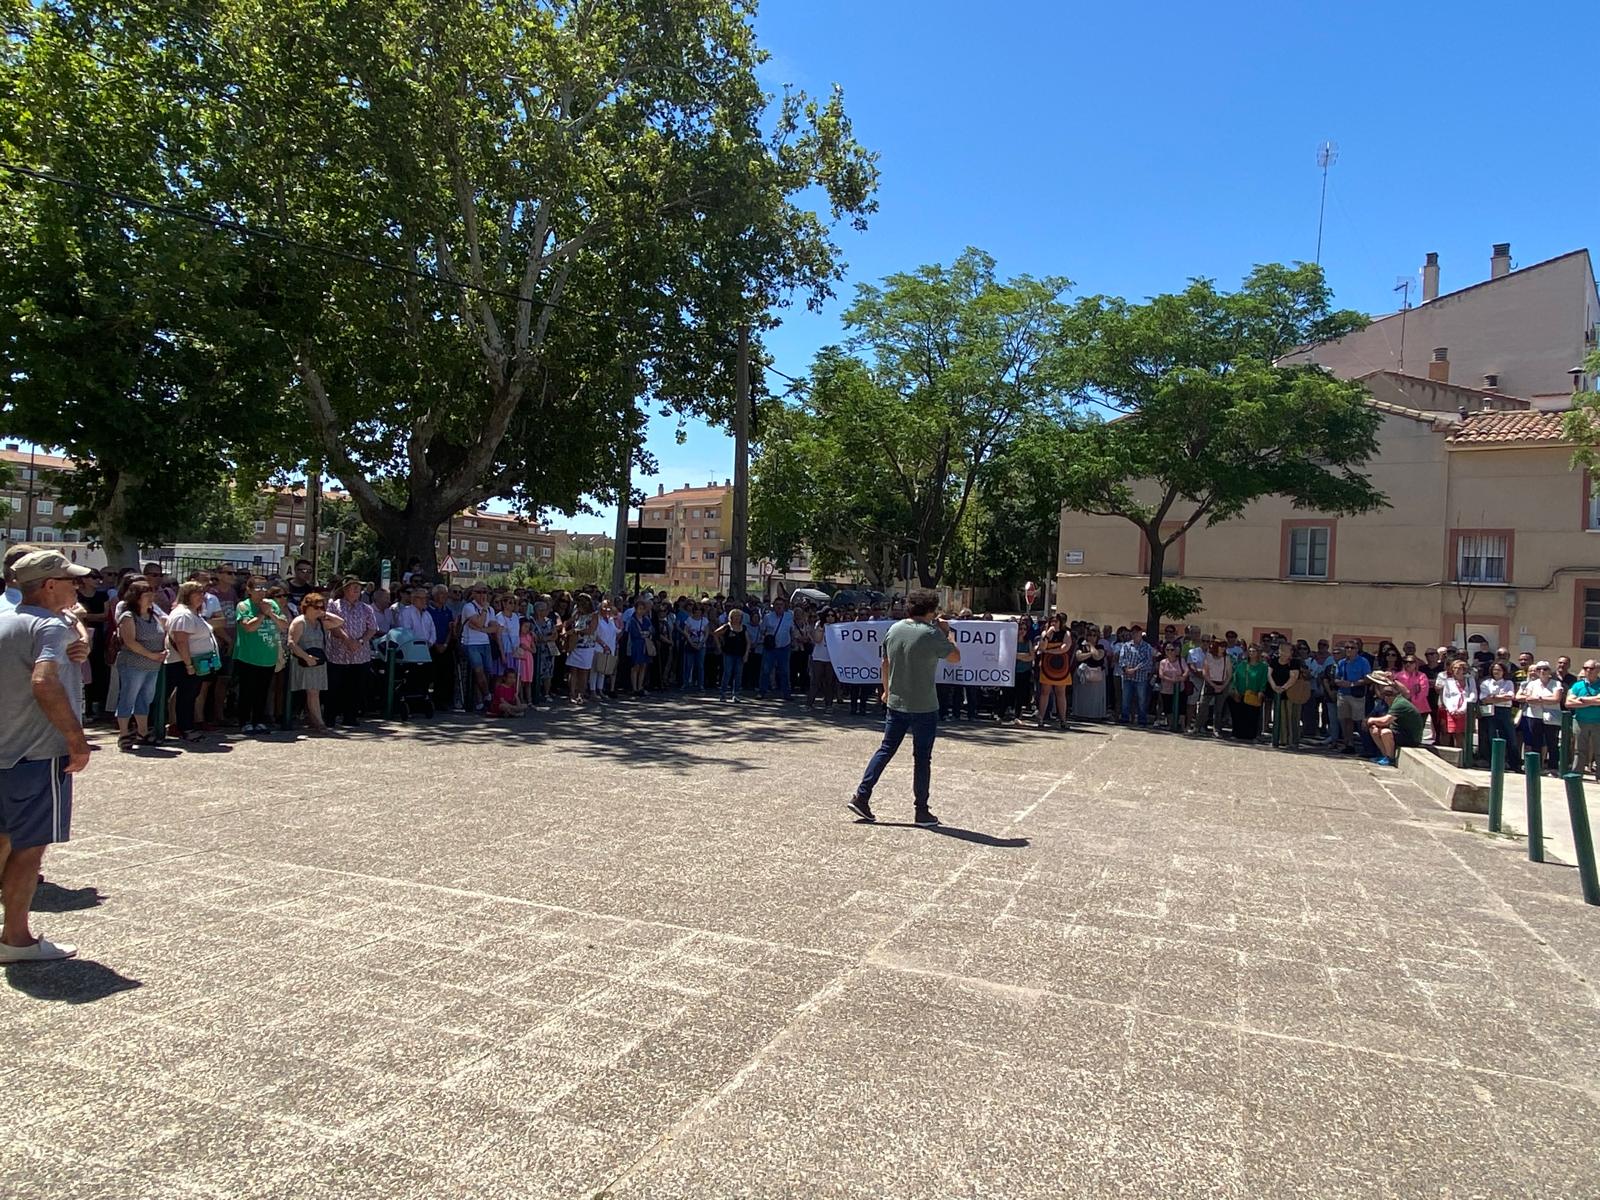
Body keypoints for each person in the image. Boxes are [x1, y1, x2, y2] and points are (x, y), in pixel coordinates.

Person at [0, 551, 94, 961]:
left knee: (3, 839)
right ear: (49, 585)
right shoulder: (50, 625)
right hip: (37, 754)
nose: (76, 585)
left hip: (5, 750)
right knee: (29, 848)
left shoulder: (5, 621)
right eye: (69, 580)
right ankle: (16, 939)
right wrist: (76, 738)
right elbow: (44, 680)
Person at [846, 592, 962, 827]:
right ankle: (921, 810)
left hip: (897, 701)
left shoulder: (895, 629)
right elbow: (955, 657)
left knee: (886, 749)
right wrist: (948, 632)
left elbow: (885, 662)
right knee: (922, 758)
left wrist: (886, 690)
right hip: (924, 704)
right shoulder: (932, 634)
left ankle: (862, 795)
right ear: (930, 611)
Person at [114, 581, 169, 750]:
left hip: (152, 665)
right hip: (133, 664)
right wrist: (151, 655)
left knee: (145, 699)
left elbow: (164, 633)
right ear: (136, 597)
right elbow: (129, 641)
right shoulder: (128, 616)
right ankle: (124, 734)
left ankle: (142, 732)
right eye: (146, 595)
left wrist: (164, 650)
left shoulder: (153, 616)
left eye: (152, 594)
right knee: (128, 698)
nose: (151, 598)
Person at [165, 581, 220, 742]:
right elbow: (181, 641)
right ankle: (185, 728)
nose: (201, 597)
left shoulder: (193, 613)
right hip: (183, 663)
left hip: (196, 662)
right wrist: (189, 665)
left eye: (202, 593)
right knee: (185, 697)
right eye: (197, 593)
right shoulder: (183, 614)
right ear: (187, 595)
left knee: (189, 696)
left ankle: (186, 727)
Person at [234, 576, 287, 733]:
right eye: (258, 587)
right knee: (247, 691)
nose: (262, 590)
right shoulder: (243, 606)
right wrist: (262, 614)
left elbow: (284, 625)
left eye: (264, 587)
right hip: (248, 656)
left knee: (262, 691)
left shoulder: (272, 605)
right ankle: (244, 721)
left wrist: (271, 613)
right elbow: (248, 627)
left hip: (268, 656)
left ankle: (258, 721)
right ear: (249, 590)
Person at [325, 578, 378, 727]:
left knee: (356, 687)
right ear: (345, 589)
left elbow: (372, 628)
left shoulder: (366, 608)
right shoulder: (334, 605)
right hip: (337, 654)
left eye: (358, 588)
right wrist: (347, 640)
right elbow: (331, 625)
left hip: (360, 655)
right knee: (334, 687)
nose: (356, 590)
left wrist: (360, 641)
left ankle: (351, 717)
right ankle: (330, 717)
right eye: (353, 587)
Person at [288, 592, 341, 733]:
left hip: (318, 662)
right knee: (312, 692)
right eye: (316, 607)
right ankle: (320, 723)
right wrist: (307, 657)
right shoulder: (300, 622)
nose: (319, 610)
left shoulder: (320, 622)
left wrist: (325, 614)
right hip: (304, 661)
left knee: (315, 692)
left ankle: (312, 719)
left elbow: (340, 622)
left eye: (321, 607)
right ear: (307, 606)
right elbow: (292, 643)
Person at [1516, 661, 1561, 775]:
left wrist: (1539, 699)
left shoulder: (1556, 684)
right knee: (1536, 742)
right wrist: (1546, 699)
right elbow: (1528, 699)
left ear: (1549, 671)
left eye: (1545, 669)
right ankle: (1536, 768)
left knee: (1552, 743)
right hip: (1534, 716)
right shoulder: (1532, 684)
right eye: (1539, 669)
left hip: (1551, 717)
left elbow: (1556, 699)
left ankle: (1553, 768)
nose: (1542, 671)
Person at [458, 584, 496, 712]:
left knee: (487, 672)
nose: (483, 595)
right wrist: (484, 610)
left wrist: (481, 629)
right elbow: (479, 621)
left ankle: (480, 701)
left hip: (485, 643)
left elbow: (495, 627)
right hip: (471, 643)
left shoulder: (491, 609)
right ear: (473, 593)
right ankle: (487, 697)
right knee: (478, 671)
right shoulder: (469, 607)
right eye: (479, 592)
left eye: (485, 592)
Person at [1367, 682, 1424, 766]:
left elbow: (1385, 721)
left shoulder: (1399, 704)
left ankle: (1391, 758)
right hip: (1400, 731)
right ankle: (1385, 755)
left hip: (1411, 737)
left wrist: (1371, 719)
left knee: (1385, 732)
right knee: (1374, 730)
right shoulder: (1396, 701)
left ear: (1388, 697)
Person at [1332, 641, 1372, 753]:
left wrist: (1353, 683)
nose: (1349, 650)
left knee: (1359, 721)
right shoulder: (1341, 662)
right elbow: (1336, 678)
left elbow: (1368, 678)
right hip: (1343, 694)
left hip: (1357, 695)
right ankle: (1349, 744)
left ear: (1357, 649)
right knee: (1345, 720)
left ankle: (1367, 747)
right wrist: (1341, 683)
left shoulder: (1363, 662)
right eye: (1347, 647)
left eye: (1352, 647)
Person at [1266, 641, 1304, 751]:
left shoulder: (1294, 662)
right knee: (1280, 716)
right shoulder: (1274, 661)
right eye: (1281, 649)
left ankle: (1292, 740)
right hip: (1277, 692)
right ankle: (1281, 739)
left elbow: (1294, 677)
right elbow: (1269, 674)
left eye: (1286, 650)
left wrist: (1283, 688)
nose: (1283, 652)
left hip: (1291, 693)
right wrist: (1274, 687)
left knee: (1292, 717)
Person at [1565, 660, 1600, 779]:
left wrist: (1582, 700)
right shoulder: (1577, 685)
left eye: (1591, 668)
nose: (1588, 671)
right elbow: (1568, 702)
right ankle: (1576, 774)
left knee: (1599, 750)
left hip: (1598, 722)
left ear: (1597, 670)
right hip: (1580, 721)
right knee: (1579, 750)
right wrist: (1593, 701)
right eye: (1585, 668)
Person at [1480, 660, 1518, 768]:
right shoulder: (1485, 683)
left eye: (1499, 670)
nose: (1497, 672)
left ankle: (1513, 763)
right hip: (1491, 711)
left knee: (1510, 737)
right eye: (1495, 669)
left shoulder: (1508, 683)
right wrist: (1500, 697)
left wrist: (1494, 697)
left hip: (1505, 711)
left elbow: (1510, 697)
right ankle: (1494, 762)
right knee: (1492, 736)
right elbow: (1484, 699)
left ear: (1503, 671)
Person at [1228, 645, 1269, 742]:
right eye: (1250, 651)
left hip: (1254, 694)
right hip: (1241, 693)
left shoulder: (1263, 666)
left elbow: (1264, 679)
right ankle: (1237, 733)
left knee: (1253, 716)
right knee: (1239, 715)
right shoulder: (1242, 664)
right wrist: (1235, 689)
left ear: (1258, 653)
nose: (1251, 653)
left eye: (1254, 651)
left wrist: (1261, 691)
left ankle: (1252, 735)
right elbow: (1235, 677)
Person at [1117, 625, 1154, 727]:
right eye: (1133, 633)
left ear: (1140, 634)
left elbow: (1147, 661)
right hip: (1127, 676)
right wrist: (1125, 669)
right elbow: (1122, 659)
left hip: (1141, 677)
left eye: (1137, 633)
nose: (1135, 635)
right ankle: (1125, 717)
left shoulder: (1147, 647)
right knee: (1126, 698)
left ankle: (1142, 719)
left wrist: (1135, 669)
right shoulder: (1126, 646)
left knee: (1141, 699)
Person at [714, 607, 753, 702]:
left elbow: (748, 642)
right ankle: (723, 694)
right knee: (727, 673)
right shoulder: (727, 627)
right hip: (728, 654)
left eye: (739, 616)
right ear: (730, 617)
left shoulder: (743, 628)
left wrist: (746, 654)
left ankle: (736, 694)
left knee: (738, 674)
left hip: (740, 654)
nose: (737, 618)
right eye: (735, 616)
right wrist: (719, 646)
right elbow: (715, 634)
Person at [1437, 659, 1473, 752]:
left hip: (1465, 710)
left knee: (1462, 734)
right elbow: (1446, 697)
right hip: (1452, 710)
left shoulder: (1470, 680)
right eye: (1454, 668)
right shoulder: (1448, 682)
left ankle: (1463, 755)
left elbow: (1473, 695)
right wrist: (1452, 709)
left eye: (1459, 668)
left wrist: (1462, 709)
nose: (1457, 670)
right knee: (1450, 733)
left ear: (1464, 670)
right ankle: (1450, 754)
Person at [624, 599, 655, 696]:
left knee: (643, 666)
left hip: (645, 645)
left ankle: (640, 686)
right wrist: (645, 633)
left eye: (643, 609)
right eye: (639, 609)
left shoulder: (646, 619)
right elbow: (635, 633)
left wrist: (646, 633)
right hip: (636, 645)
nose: (641, 611)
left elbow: (652, 630)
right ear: (636, 609)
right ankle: (634, 688)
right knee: (635, 666)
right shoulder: (632, 620)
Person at [807, 609, 837, 710]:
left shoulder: (838, 627)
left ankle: (829, 704)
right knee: (815, 681)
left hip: (831, 658)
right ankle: (809, 704)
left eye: (832, 615)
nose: (830, 617)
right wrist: (822, 628)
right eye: (828, 615)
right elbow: (817, 640)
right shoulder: (819, 625)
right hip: (819, 657)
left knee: (829, 682)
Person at [1156, 642, 1187, 732]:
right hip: (1166, 689)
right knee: (1168, 707)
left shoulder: (1181, 660)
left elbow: (1186, 671)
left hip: (1180, 688)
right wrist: (1171, 680)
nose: (1170, 651)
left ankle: (1182, 726)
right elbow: (1161, 674)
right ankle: (1171, 725)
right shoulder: (1163, 662)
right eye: (1167, 650)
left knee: (1181, 708)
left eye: (1172, 649)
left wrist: (1182, 678)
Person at [681, 601, 709, 692]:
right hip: (690, 644)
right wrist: (691, 642)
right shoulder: (689, 620)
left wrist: (701, 643)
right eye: (696, 610)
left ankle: (701, 684)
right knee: (688, 665)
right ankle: (685, 683)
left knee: (700, 665)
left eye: (700, 610)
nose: (698, 612)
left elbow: (707, 633)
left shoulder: (704, 620)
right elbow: (686, 631)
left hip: (701, 645)